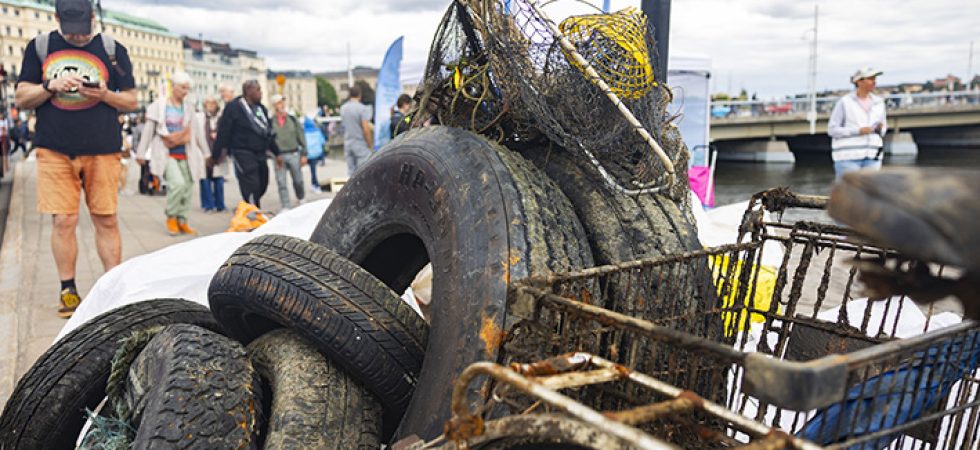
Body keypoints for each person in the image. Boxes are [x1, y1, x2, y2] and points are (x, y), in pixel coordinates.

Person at [15, 0, 137, 318]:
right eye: (72, 31)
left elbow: (131, 100)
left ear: (93, 18)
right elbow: (22, 97)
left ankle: (113, 288)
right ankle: (68, 289)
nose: (79, 36)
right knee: (64, 221)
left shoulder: (112, 49)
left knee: (106, 219)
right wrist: (49, 85)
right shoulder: (40, 47)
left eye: (84, 29)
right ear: (57, 18)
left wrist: (104, 94)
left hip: (103, 149)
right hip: (55, 150)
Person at [136, 71, 209, 236]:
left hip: (186, 152)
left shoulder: (189, 107)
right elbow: (148, 131)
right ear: (174, 87)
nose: (185, 91)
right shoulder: (159, 106)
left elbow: (197, 132)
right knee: (177, 184)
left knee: (188, 187)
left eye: (187, 88)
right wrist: (141, 153)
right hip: (166, 152)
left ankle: (182, 220)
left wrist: (206, 152)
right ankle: (171, 216)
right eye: (183, 88)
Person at [213, 80, 282, 208]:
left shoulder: (261, 109)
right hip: (242, 153)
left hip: (260, 153)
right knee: (251, 184)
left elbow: (268, 133)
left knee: (263, 183)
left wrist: (277, 153)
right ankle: (254, 212)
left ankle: (250, 205)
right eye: (258, 90)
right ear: (249, 91)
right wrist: (215, 155)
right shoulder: (234, 107)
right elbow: (223, 132)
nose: (261, 93)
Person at [828, 67, 888, 179]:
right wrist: (858, 131)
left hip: (873, 156)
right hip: (847, 157)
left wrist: (880, 129)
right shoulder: (845, 102)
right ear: (859, 81)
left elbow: (884, 128)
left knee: (871, 190)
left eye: (874, 79)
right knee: (848, 190)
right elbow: (832, 130)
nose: (874, 82)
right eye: (870, 79)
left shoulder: (879, 103)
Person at [270, 94, 306, 211]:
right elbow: (269, 139)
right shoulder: (271, 122)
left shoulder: (293, 120)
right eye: (279, 103)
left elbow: (301, 136)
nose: (281, 105)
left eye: (282, 102)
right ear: (274, 105)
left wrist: (304, 154)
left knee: (298, 180)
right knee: (281, 182)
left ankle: (301, 197)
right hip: (278, 156)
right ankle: (285, 205)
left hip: (293, 153)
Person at [199, 96, 228, 212]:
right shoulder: (200, 118)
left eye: (213, 103)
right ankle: (208, 205)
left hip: (219, 152)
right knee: (205, 179)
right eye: (208, 103)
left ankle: (220, 204)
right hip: (204, 151)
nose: (211, 106)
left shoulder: (221, 118)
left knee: (218, 179)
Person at [339, 85, 373, 175]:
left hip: (348, 143)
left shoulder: (343, 108)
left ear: (350, 94)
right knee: (362, 172)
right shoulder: (362, 109)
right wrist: (369, 144)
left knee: (351, 173)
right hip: (360, 143)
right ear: (359, 95)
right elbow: (365, 129)